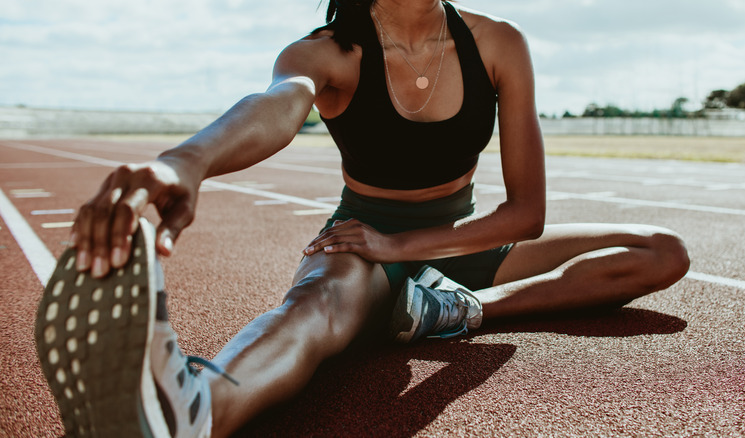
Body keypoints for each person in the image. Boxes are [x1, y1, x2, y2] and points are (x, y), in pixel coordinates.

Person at [35, 0, 690, 436]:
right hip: (361, 249)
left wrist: (410, 246)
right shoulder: (329, 54)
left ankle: (458, 309)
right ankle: (197, 405)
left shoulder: (497, 44)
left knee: (662, 252)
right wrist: (188, 162)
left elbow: (527, 213)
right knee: (309, 316)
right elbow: (275, 107)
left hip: (463, 245)